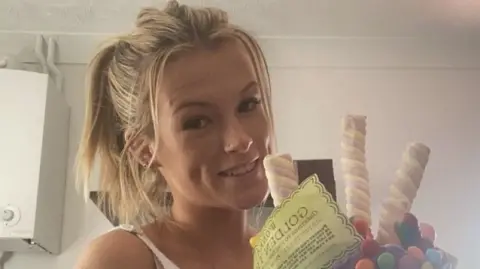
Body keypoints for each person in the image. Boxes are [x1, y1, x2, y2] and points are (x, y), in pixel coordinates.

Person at [75, 1, 275, 268]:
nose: (240, 140)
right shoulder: (122, 258)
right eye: (198, 122)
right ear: (145, 149)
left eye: (248, 104)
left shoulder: (291, 256)